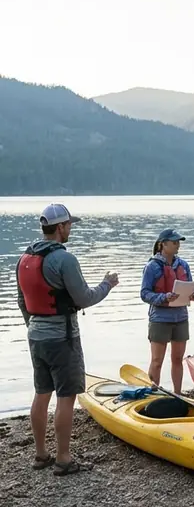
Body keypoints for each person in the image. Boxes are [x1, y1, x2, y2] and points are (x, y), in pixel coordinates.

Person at [16, 204, 118, 475]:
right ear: (60, 227)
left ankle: (41, 455)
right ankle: (63, 458)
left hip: (36, 336)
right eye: (69, 224)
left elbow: (21, 301)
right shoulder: (64, 259)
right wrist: (107, 284)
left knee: (41, 393)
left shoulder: (24, 257)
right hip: (62, 337)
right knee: (66, 396)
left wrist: (34, 326)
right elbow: (84, 298)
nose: (71, 227)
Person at [140, 229, 194, 394]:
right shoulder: (152, 267)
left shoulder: (183, 265)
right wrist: (164, 297)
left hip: (181, 317)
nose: (177, 245)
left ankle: (178, 394)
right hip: (160, 319)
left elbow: (189, 285)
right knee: (157, 361)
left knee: (177, 359)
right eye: (174, 242)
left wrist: (192, 295)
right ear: (163, 244)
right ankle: (152, 393)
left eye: (178, 242)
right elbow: (144, 293)